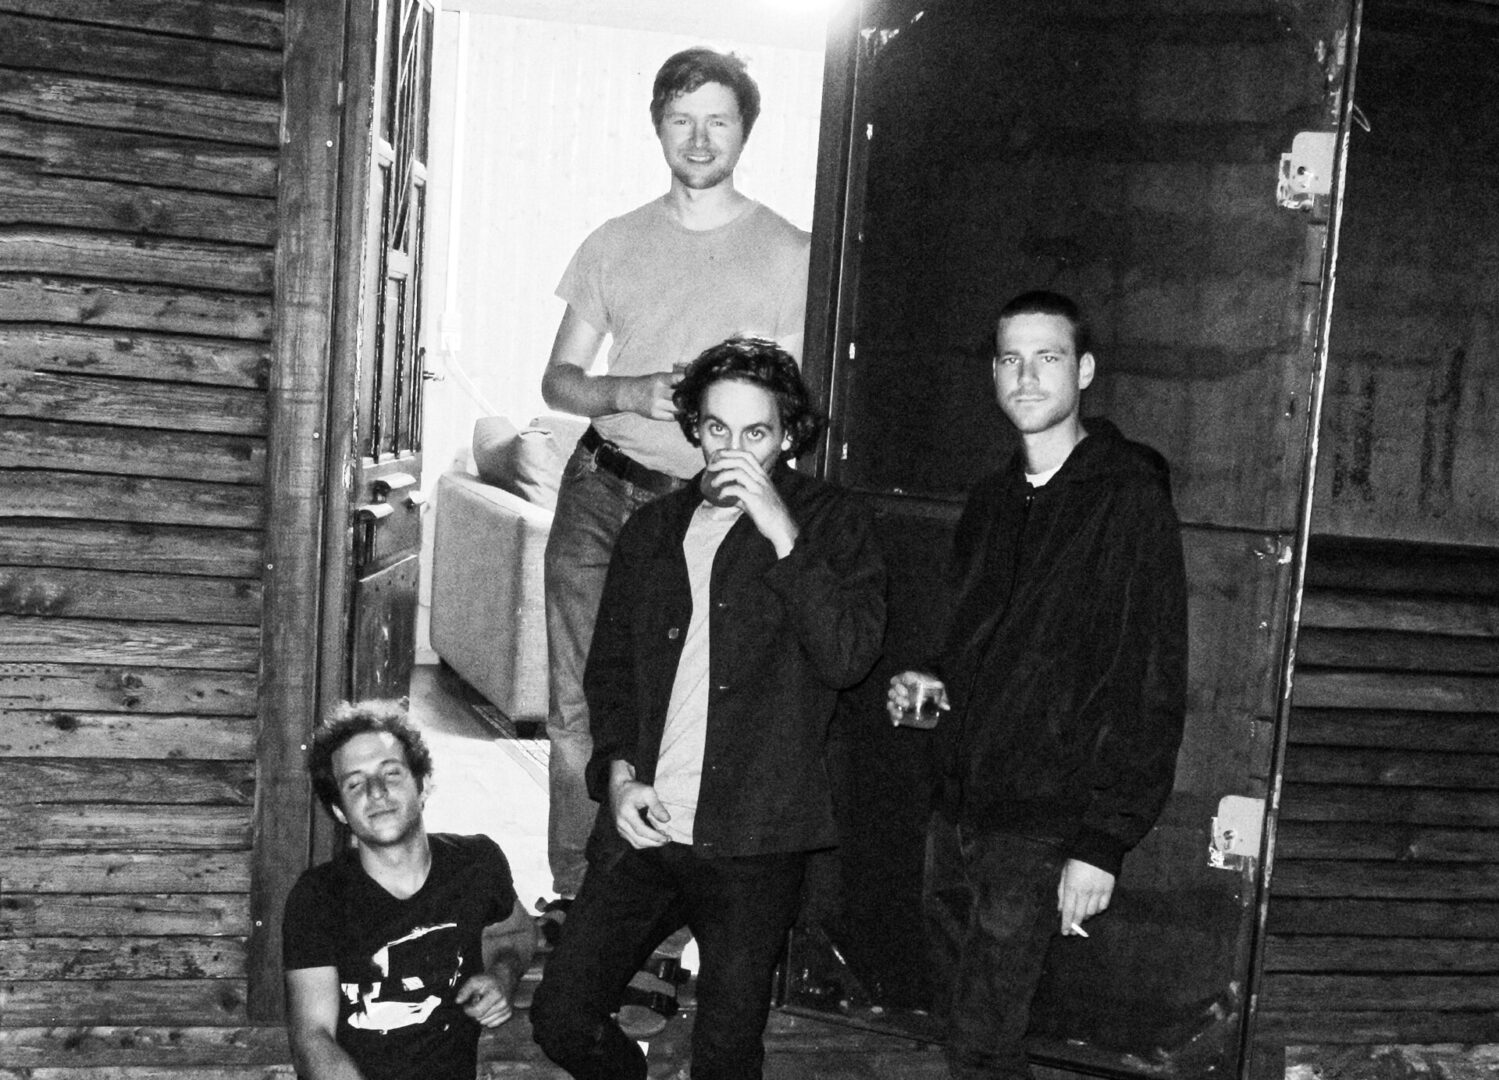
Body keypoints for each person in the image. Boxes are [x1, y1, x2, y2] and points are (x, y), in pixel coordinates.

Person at [530, 338, 887, 1080]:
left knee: (724, 1056)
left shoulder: (833, 521)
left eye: (756, 433)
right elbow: (611, 675)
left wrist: (780, 529)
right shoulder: (653, 529)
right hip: (647, 826)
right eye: (718, 428)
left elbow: (848, 657)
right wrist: (617, 776)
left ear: (788, 437)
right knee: (560, 1017)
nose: (733, 450)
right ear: (695, 428)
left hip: (755, 838)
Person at [537, 46, 811, 932]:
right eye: (681, 120)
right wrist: (625, 391)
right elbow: (558, 381)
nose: (698, 138)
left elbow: (798, 402)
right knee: (576, 704)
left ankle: (677, 910)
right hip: (600, 493)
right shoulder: (612, 242)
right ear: (657, 126)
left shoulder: (790, 254)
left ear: (744, 132)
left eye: (717, 120)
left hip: (711, 515)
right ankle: (578, 898)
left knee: (691, 709)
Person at [887, 291, 1188, 1079]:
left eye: (1046, 358)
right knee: (963, 1027)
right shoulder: (991, 500)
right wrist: (931, 687)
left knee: (984, 1042)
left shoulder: (1125, 497)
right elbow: (975, 649)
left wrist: (1101, 841)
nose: (1026, 377)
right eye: (1010, 360)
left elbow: (1148, 675)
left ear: (1083, 371)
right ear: (993, 373)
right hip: (958, 808)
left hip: (1041, 818)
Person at [282, 700, 533, 1080]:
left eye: (391, 773)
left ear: (423, 784)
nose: (376, 792)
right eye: (355, 783)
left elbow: (516, 933)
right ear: (339, 810)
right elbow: (313, 1038)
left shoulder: (477, 864)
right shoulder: (318, 897)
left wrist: (502, 976)